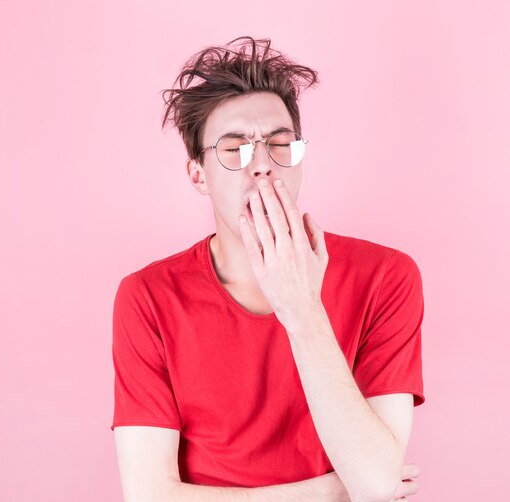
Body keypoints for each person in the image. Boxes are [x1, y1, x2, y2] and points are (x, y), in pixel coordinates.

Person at [111, 36, 425, 502]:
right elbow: (149, 495)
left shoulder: (386, 277)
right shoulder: (147, 296)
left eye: (280, 144)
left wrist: (301, 309)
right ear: (198, 173)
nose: (262, 165)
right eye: (234, 149)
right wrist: (328, 492)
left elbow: (376, 485)